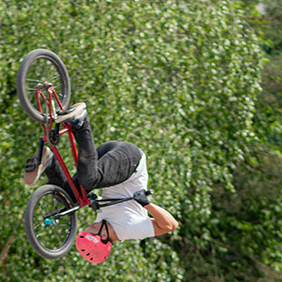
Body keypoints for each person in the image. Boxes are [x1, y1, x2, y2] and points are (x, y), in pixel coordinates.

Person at [24, 103, 178, 264]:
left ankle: (49, 162)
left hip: (107, 159)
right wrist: (146, 204)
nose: (90, 224)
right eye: (91, 229)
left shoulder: (104, 223)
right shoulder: (130, 229)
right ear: (103, 236)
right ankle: (81, 122)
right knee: (89, 180)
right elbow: (170, 225)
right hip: (131, 160)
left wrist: (94, 201)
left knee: (69, 199)